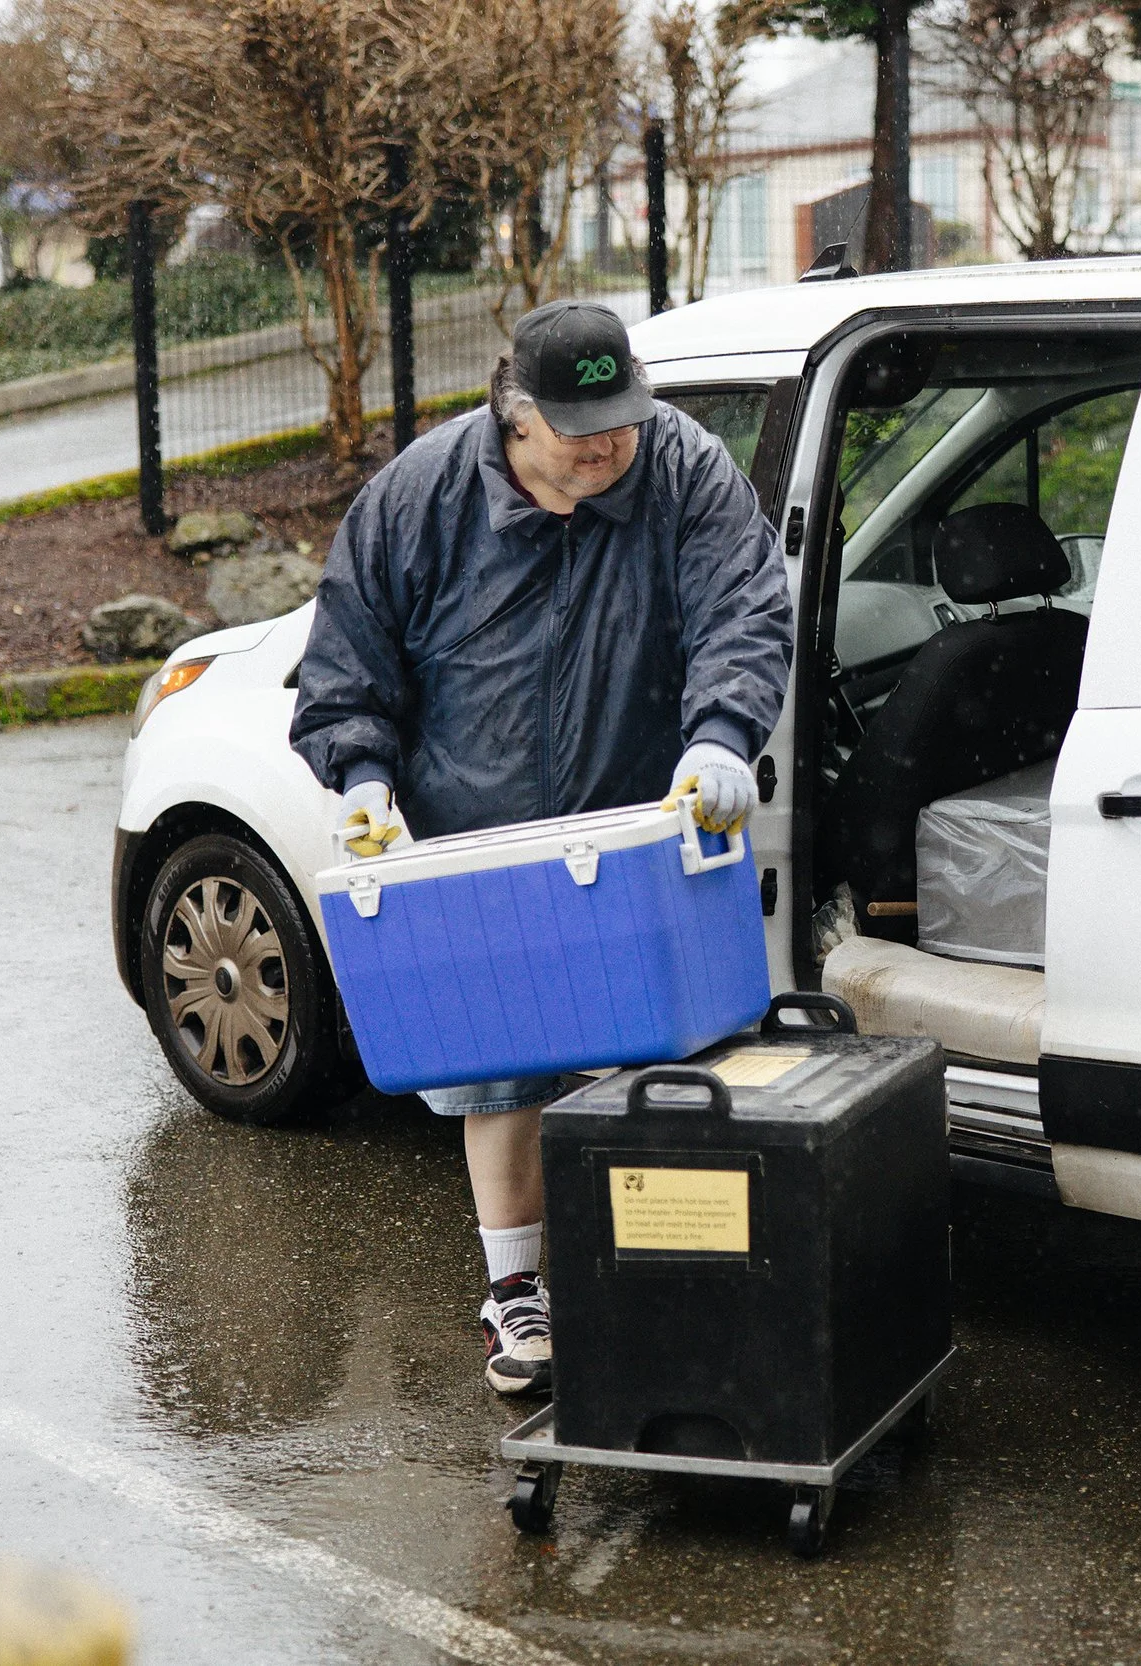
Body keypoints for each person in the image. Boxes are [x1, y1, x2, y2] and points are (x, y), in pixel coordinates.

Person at [289, 300, 792, 1395]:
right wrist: (363, 777)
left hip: (636, 833)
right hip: (485, 845)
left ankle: (659, 1289)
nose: (611, 444)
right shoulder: (418, 499)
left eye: (623, 418)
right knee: (504, 1072)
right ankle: (518, 1293)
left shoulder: (679, 469)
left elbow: (743, 608)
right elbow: (346, 658)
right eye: (582, 429)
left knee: (659, 1068)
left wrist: (720, 737)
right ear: (516, 416)